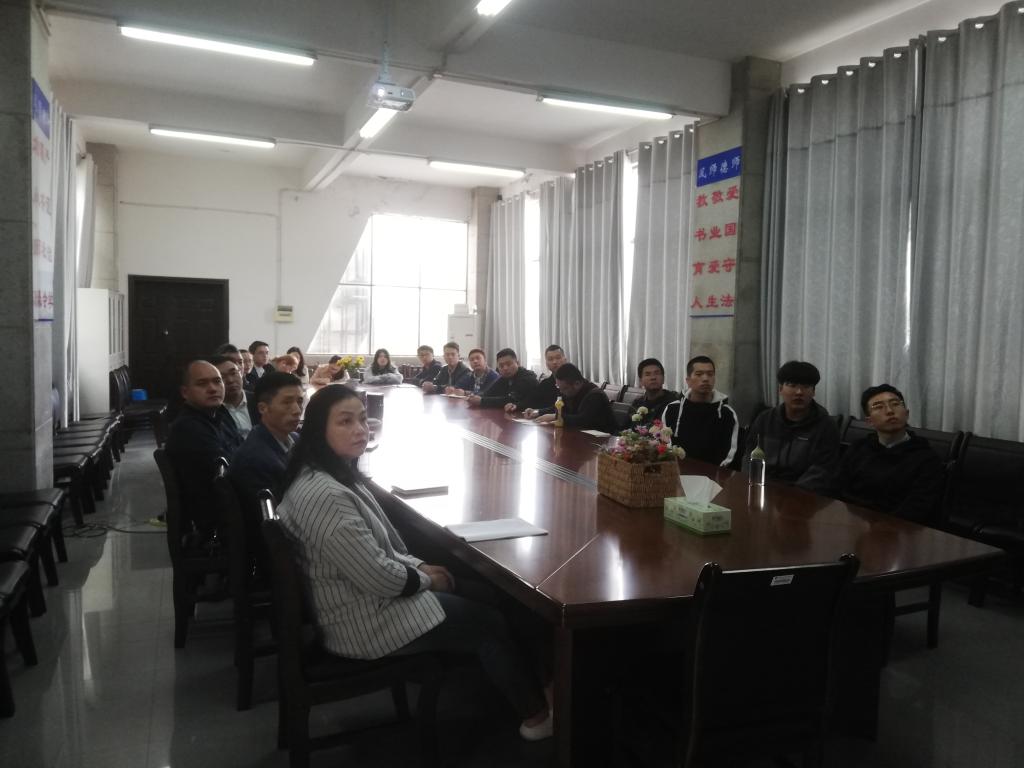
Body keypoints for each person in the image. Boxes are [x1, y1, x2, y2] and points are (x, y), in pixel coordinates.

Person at [277, 385, 552, 739]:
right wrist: (426, 579)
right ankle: (536, 717)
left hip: (362, 599)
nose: (360, 429)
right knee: (487, 622)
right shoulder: (324, 494)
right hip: (362, 619)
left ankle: (536, 684)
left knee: (489, 594)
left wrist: (419, 567)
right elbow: (377, 575)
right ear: (318, 430)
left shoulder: (329, 472)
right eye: (345, 422)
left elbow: (377, 550)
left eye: (362, 419)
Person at [832, 384, 944, 524]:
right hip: (849, 522)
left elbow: (917, 508)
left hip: (894, 529)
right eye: (879, 407)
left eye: (895, 404)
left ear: (907, 413)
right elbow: (835, 486)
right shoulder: (858, 448)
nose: (890, 411)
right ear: (869, 421)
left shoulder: (927, 459)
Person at [229, 371, 304, 580]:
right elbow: (283, 524)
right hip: (279, 556)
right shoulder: (256, 459)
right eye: (287, 402)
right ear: (263, 408)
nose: (297, 410)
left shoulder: (292, 438)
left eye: (300, 401)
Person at [165, 360, 244, 539]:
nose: (213, 388)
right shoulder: (189, 428)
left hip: (231, 504)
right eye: (202, 384)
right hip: (218, 521)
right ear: (185, 392)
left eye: (217, 381)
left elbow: (242, 451)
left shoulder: (219, 414)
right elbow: (230, 475)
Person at [743, 360, 840, 493]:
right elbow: (750, 456)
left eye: (806, 386)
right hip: (762, 488)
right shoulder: (765, 419)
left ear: (813, 391)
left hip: (803, 495)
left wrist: (792, 494)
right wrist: (755, 483)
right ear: (780, 389)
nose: (799, 392)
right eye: (792, 385)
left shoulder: (826, 426)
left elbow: (822, 469)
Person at [660, 356, 739, 467]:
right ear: (688, 380)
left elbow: (730, 453)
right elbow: (665, 443)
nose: (705, 378)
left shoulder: (727, 413)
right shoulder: (672, 409)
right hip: (677, 470)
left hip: (713, 473)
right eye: (699, 374)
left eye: (710, 374)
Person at [531, 363, 615, 432]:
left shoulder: (595, 395)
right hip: (580, 436)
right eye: (559, 387)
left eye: (564, 388)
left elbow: (583, 420)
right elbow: (558, 408)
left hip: (603, 440)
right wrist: (537, 412)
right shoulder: (570, 392)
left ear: (577, 384)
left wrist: (556, 416)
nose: (561, 392)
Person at [468, 348, 538, 410]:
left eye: (509, 364)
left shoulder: (527, 378)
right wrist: (475, 397)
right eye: (501, 366)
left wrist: (482, 401)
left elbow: (510, 399)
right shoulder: (504, 377)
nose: (505, 368)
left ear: (517, 363)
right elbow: (488, 393)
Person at [209, 354, 259, 437]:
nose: (230, 380)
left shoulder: (259, 400)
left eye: (233, 373)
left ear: (241, 373)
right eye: (221, 377)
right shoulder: (212, 411)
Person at [629, 358, 680, 424]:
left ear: (663, 378)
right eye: (647, 374)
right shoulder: (637, 404)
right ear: (641, 381)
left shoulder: (673, 404)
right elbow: (626, 428)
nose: (653, 377)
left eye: (657, 373)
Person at [520, 344, 566, 411]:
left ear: (565, 359)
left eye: (558, 358)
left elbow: (566, 407)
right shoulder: (545, 384)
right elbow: (531, 401)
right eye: (550, 359)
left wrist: (540, 412)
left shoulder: (572, 382)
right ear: (546, 363)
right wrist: (516, 405)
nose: (554, 362)